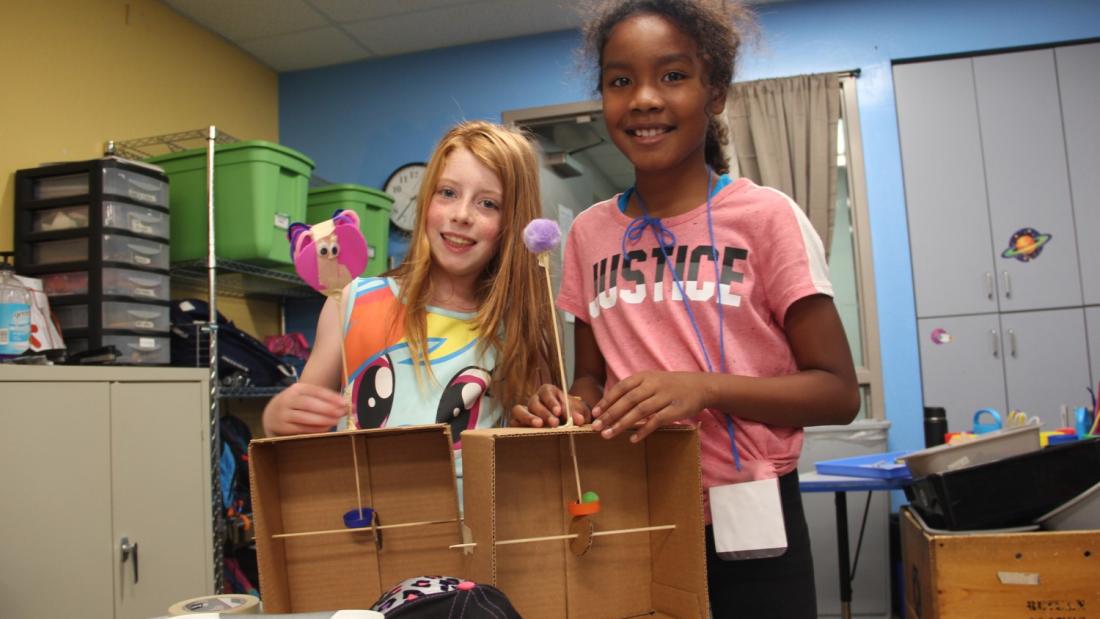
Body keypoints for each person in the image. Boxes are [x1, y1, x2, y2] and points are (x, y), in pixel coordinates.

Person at [511, 1, 859, 616]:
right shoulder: (590, 235)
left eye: (672, 75)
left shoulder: (766, 217)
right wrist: (572, 403)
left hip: (750, 511)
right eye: (621, 81)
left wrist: (703, 389)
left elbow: (837, 392)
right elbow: (592, 379)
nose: (644, 98)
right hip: (628, 505)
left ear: (715, 92)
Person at [264, 120, 555, 485]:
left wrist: (552, 411)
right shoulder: (351, 302)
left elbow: (537, 442)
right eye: (447, 193)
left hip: (470, 533)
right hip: (364, 526)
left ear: (512, 223)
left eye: (487, 203)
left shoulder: (516, 328)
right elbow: (301, 429)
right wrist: (279, 420)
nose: (461, 214)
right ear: (426, 201)